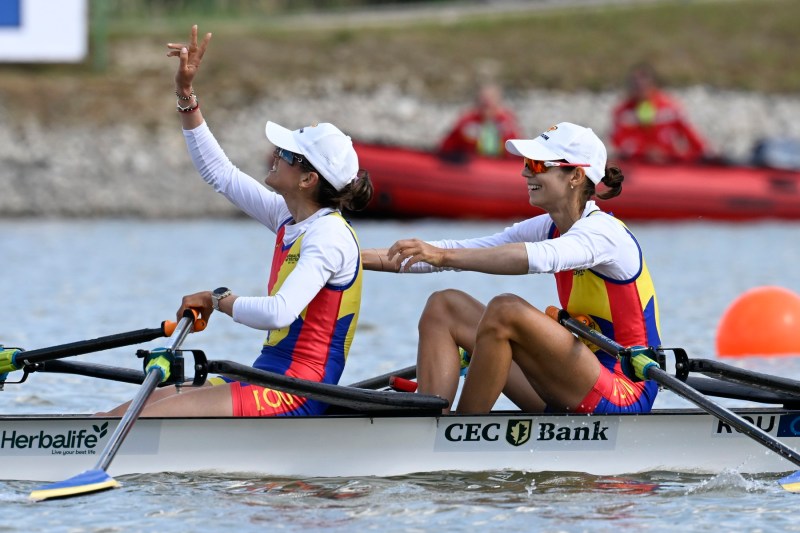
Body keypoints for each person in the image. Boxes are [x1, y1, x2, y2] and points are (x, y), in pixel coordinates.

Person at [105, 25, 373, 418]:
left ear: (307, 179)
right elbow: (221, 174)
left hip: (298, 391)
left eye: (286, 153)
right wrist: (185, 94)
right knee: (135, 408)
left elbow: (280, 311)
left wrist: (218, 301)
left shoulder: (328, 236)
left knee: (150, 414)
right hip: (269, 378)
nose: (275, 154)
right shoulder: (290, 216)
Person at [363, 122, 661, 414]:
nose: (525, 171)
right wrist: (350, 259)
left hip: (624, 390)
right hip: (572, 378)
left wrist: (442, 256)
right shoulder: (549, 227)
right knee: (444, 306)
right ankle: (428, 423)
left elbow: (538, 258)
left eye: (538, 164)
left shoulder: (605, 233)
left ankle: (460, 434)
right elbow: (466, 249)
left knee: (506, 309)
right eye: (527, 163)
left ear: (576, 175)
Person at [610, 62, 710, 164]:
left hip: (669, 163)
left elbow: (690, 134)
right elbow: (618, 141)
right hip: (638, 164)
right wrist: (644, 151)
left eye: (644, 83)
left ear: (653, 84)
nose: (641, 88)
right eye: (636, 84)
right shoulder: (623, 113)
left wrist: (704, 155)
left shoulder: (669, 108)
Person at [437, 83, 522, 160]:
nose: (487, 102)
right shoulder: (467, 121)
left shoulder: (507, 122)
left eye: (491, 98)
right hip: (473, 166)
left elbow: (518, 149)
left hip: (500, 165)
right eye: (484, 99)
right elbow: (447, 145)